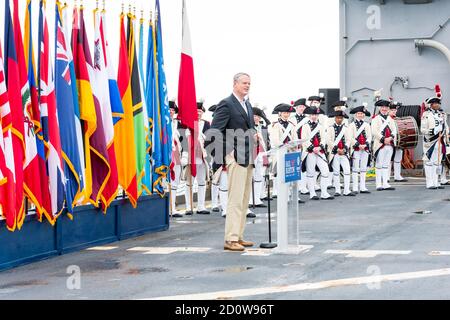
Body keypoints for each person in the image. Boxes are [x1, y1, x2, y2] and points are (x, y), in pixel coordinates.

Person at [207, 72, 256, 252]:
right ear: (235, 84)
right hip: (235, 157)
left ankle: (239, 235)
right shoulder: (226, 104)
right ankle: (230, 238)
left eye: (249, 83)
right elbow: (214, 133)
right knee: (234, 199)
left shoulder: (247, 104)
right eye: (244, 83)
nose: (247, 86)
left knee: (244, 200)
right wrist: (229, 152)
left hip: (248, 156)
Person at [269, 103, 303, 203]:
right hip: (281, 153)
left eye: (287, 113)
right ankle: (283, 196)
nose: (286, 114)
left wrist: (296, 144)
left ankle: (293, 196)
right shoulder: (276, 125)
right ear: (280, 113)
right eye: (284, 113)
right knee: (282, 175)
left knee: (292, 175)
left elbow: (295, 138)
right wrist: (285, 146)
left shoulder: (291, 125)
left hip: (290, 153)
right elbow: (275, 141)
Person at [183, 101, 211, 215]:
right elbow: (184, 139)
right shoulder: (188, 123)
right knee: (189, 182)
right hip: (191, 156)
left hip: (202, 156)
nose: (198, 113)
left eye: (200, 111)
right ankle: (188, 207)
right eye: (196, 111)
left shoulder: (206, 124)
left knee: (201, 182)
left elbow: (210, 139)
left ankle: (201, 206)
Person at [302, 107, 334, 200]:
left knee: (325, 171)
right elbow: (304, 139)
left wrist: (320, 146)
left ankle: (324, 193)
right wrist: (312, 147)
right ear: (309, 115)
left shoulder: (320, 125)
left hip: (320, 151)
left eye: (316, 115)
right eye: (312, 115)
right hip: (310, 152)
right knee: (310, 172)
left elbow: (324, 138)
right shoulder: (305, 126)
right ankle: (312, 193)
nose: (314, 117)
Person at [421, 93, 448, 189]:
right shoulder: (426, 115)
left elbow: (445, 127)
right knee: (429, 162)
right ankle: (430, 183)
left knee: (437, 162)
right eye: (435, 103)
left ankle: (436, 182)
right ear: (430, 105)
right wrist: (432, 131)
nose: (437, 104)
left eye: (438, 103)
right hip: (430, 141)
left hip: (440, 140)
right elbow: (423, 129)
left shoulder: (442, 114)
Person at [326, 108, 355, 197]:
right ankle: (337, 190)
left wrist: (345, 149)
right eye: (338, 118)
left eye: (341, 118)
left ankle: (346, 190)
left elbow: (349, 140)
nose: (339, 119)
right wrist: (337, 149)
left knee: (346, 171)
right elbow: (328, 140)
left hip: (344, 153)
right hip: (335, 153)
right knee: (336, 172)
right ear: (335, 118)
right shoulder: (330, 128)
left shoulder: (346, 128)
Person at [371, 99, 398, 191]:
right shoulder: (376, 119)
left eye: (386, 107)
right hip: (380, 144)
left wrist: (390, 138)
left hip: (389, 144)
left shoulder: (390, 119)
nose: (384, 109)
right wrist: (383, 139)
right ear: (380, 108)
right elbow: (374, 131)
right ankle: (378, 184)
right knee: (379, 165)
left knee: (386, 164)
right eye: (382, 107)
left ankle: (385, 184)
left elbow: (394, 130)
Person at [248, 107, 270, 208]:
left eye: (257, 116)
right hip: (252, 153)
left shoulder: (262, 127)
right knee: (250, 177)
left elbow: (266, 141)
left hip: (261, 153)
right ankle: (249, 200)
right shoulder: (247, 127)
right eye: (254, 116)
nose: (256, 118)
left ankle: (257, 199)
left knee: (259, 177)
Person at [348, 104, 372, 194]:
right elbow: (350, 137)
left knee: (363, 168)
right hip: (356, 149)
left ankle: (363, 187)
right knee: (355, 168)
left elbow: (369, 136)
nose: (360, 115)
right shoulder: (351, 125)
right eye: (358, 113)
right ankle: (354, 187)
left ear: (364, 114)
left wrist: (365, 144)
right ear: (355, 115)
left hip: (365, 148)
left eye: (362, 113)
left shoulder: (366, 125)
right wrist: (358, 144)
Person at [169, 101, 184, 218]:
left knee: (175, 183)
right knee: (165, 182)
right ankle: (166, 209)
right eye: (169, 109)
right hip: (166, 155)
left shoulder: (177, 124)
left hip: (177, 155)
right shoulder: (161, 123)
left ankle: (173, 208)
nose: (171, 111)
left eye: (173, 110)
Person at [293, 98, 310, 195]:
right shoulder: (292, 119)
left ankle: (303, 187)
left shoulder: (307, 119)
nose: (302, 108)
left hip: (306, 145)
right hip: (295, 145)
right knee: (296, 166)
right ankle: (297, 187)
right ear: (296, 108)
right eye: (300, 107)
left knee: (304, 166)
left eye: (303, 107)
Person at [388, 101, 408, 182]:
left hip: (399, 142)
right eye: (392, 110)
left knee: (398, 159)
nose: (394, 111)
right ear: (388, 111)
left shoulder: (398, 119)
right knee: (388, 160)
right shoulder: (386, 119)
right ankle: (387, 177)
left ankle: (397, 176)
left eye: (395, 110)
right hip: (389, 142)